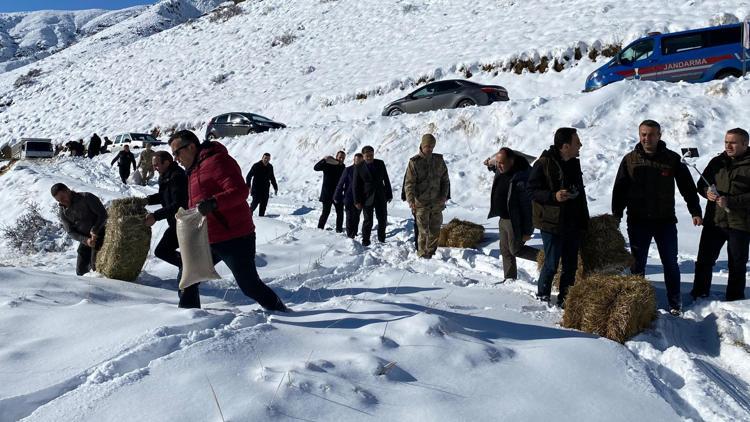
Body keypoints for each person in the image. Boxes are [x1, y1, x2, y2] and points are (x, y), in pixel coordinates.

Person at [168, 130, 287, 311]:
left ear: (191, 146)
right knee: (187, 278)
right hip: (207, 237)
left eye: (177, 152)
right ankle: (189, 318)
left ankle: (279, 309)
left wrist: (214, 203)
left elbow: (240, 191)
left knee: (249, 285)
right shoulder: (193, 169)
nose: (175, 158)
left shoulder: (218, 161)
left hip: (235, 236)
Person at [612, 119, 702, 316]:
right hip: (638, 221)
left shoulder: (671, 159)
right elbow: (620, 189)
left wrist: (695, 211)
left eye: (651, 134)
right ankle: (638, 303)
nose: (647, 138)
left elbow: (687, 187)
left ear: (659, 136)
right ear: (639, 135)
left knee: (670, 262)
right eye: (643, 134)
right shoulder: (630, 159)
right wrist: (616, 215)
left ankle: (675, 303)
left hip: (665, 221)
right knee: (638, 263)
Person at [528, 128, 589, 307]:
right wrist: (553, 196)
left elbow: (582, 194)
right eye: (577, 142)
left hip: (573, 221)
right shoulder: (543, 163)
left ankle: (565, 298)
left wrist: (584, 220)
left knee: (571, 266)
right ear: (565, 146)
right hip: (551, 222)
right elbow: (531, 190)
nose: (580, 145)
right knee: (552, 263)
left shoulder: (573, 163)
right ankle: (543, 296)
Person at [692, 128, 750, 302]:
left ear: (745, 144)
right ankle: (699, 294)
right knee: (704, 260)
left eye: (733, 142)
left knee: (737, 264)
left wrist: (731, 201)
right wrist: (706, 192)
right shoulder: (717, 161)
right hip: (715, 221)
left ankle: (734, 299)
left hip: (741, 223)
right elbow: (702, 182)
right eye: (726, 142)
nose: (728, 146)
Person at [144, 151, 193, 307]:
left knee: (164, 251)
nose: (155, 167)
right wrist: (147, 200)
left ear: (167, 162)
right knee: (162, 251)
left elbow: (179, 204)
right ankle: (185, 264)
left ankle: (186, 304)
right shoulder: (166, 175)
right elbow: (163, 196)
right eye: (154, 165)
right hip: (176, 223)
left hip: (185, 223)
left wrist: (155, 216)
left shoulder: (177, 176)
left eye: (157, 164)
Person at [485, 147, 537, 282]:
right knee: (505, 250)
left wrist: (528, 231)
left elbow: (529, 208)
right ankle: (509, 279)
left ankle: (548, 258)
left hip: (515, 220)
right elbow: (496, 166)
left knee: (516, 249)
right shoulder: (503, 167)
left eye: (501, 163)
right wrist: (490, 165)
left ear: (512, 161)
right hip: (503, 218)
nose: (499, 166)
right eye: (498, 163)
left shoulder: (523, 177)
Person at [403, 133, 450, 258]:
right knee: (423, 232)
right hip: (421, 203)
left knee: (435, 230)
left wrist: (444, 196)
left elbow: (445, 180)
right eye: (427, 146)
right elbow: (409, 184)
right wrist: (411, 201)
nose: (429, 149)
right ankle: (422, 254)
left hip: (436, 202)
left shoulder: (439, 160)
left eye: (431, 146)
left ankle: (431, 252)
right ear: (422, 145)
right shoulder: (414, 162)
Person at [51, 183, 108, 276]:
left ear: (68, 191)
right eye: (58, 200)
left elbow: (103, 215)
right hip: (86, 239)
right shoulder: (63, 212)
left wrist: (95, 230)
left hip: (101, 233)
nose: (62, 201)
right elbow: (70, 231)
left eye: (62, 197)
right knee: (80, 271)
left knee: (95, 266)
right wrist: (86, 240)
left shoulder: (87, 198)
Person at [353, 145, 393, 246]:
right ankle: (365, 241)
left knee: (382, 218)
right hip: (366, 197)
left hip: (381, 195)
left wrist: (389, 193)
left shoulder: (380, 163)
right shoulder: (359, 167)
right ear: (363, 156)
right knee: (368, 221)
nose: (370, 157)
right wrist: (357, 200)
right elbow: (355, 185)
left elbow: (386, 179)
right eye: (367, 156)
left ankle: (381, 239)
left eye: (371, 155)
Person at [314, 151, 346, 232]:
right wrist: (324, 160)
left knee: (340, 213)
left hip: (338, 194)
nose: (341, 159)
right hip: (327, 194)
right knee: (325, 213)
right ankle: (319, 229)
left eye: (343, 158)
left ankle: (339, 230)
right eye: (340, 157)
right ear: (336, 157)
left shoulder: (343, 167)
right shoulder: (328, 164)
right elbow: (316, 168)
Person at [334, 153, 364, 238]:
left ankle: (354, 233)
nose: (358, 162)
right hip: (349, 197)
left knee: (357, 216)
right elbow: (340, 183)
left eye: (360, 161)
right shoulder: (348, 170)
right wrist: (336, 196)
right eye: (356, 160)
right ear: (354, 160)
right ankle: (350, 235)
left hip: (360, 198)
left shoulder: (364, 170)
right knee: (349, 217)